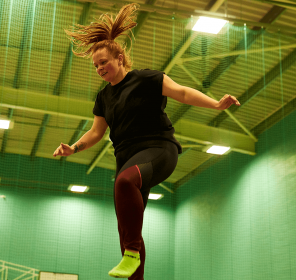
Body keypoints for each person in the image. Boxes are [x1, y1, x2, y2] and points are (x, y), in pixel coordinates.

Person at [53, 3, 240, 279]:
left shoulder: (147, 79)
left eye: (103, 62)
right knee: (127, 226)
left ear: (119, 58)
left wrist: (215, 105)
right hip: (126, 158)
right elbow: (96, 132)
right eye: (95, 65)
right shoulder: (103, 98)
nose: (99, 68)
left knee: (125, 182)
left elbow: (183, 94)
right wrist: (75, 147)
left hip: (158, 150)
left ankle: (131, 253)